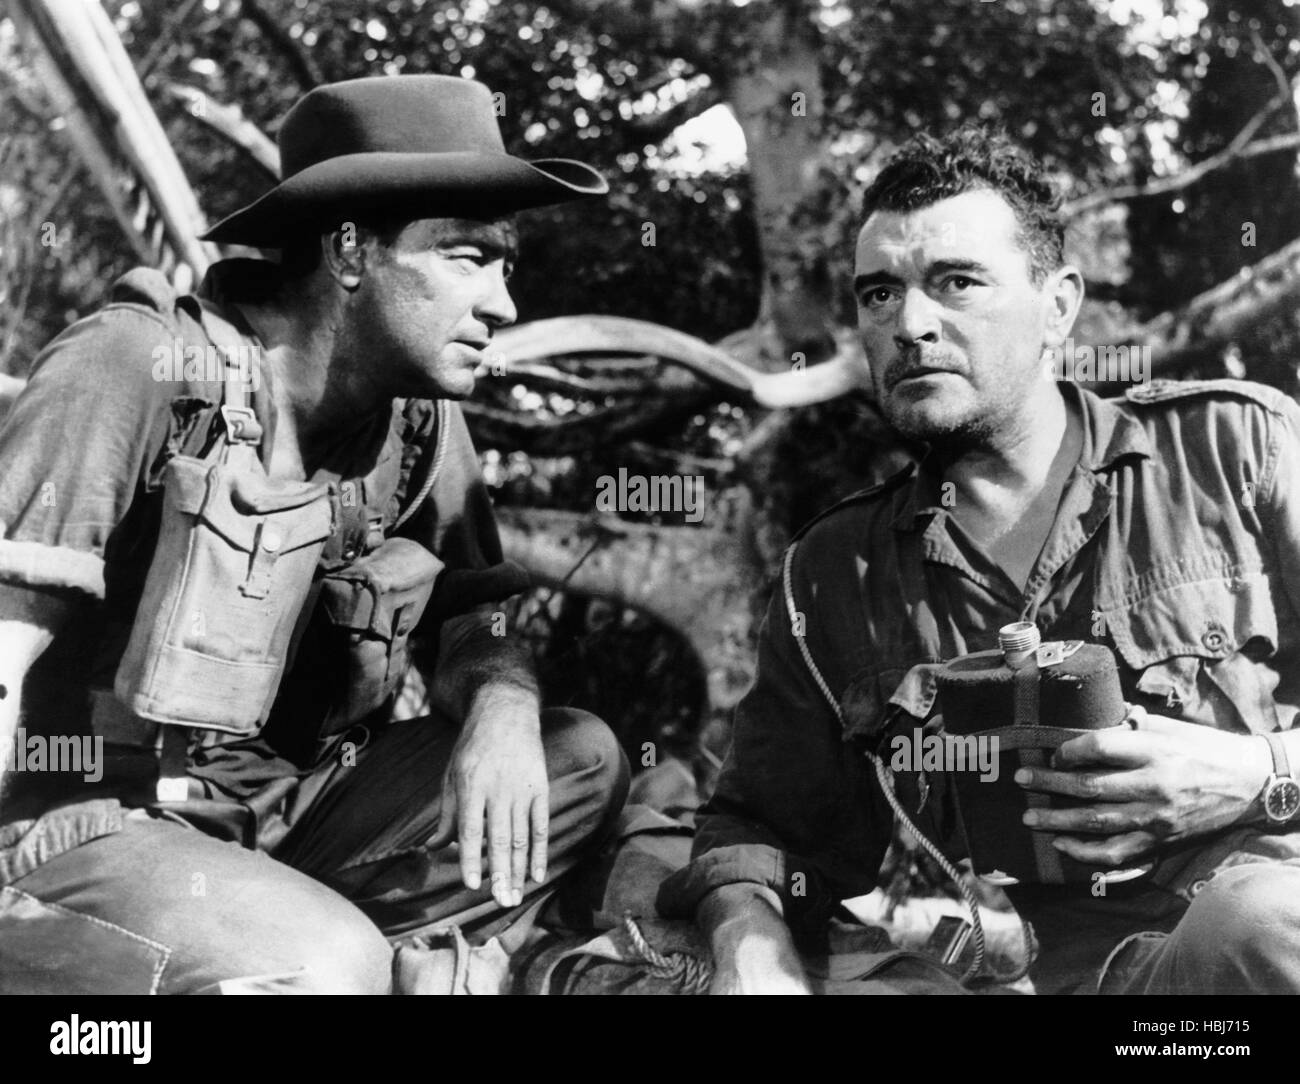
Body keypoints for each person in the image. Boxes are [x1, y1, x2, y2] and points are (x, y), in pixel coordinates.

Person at [0, 74, 628, 994]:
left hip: (287, 817)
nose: (503, 307)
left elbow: (475, 618)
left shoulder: (417, 424)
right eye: (465, 258)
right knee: (332, 967)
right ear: (346, 252)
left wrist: (501, 706)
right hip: (81, 825)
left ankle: (283, 948)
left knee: (582, 759)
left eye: (506, 265)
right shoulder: (135, 365)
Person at [658, 126, 1300, 995]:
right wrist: (749, 940)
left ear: (1059, 306)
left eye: (956, 282)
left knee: (1256, 920)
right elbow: (759, 822)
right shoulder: (840, 570)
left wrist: (1257, 775)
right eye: (879, 294)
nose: (911, 324)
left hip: (1276, 930)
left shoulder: (1237, 448)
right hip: (1113, 997)